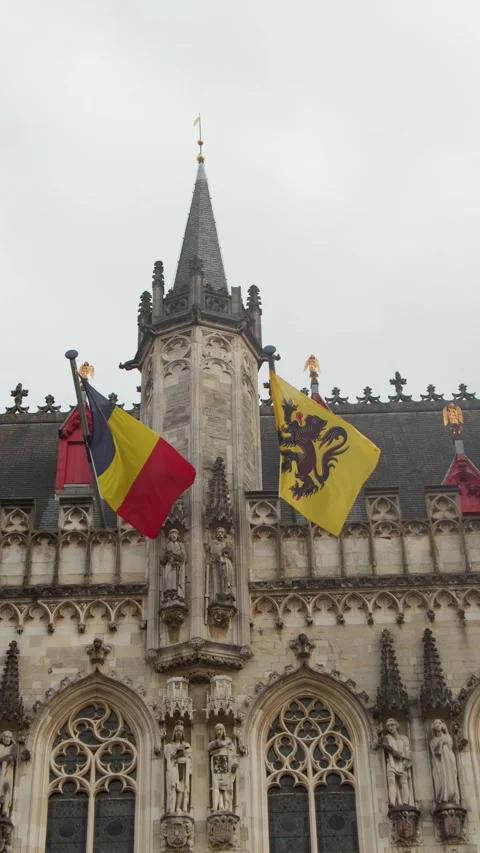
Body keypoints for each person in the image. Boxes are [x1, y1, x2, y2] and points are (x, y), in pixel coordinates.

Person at [382, 718, 414, 807]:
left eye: (392, 725)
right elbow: (385, 745)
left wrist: (408, 761)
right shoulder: (387, 738)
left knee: (404, 781)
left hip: (402, 762)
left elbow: (408, 752)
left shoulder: (404, 738)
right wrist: (393, 752)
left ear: (396, 726)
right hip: (392, 761)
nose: (390, 728)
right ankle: (392, 802)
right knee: (391, 780)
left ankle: (405, 802)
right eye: (388, 726)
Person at [208, 723, 238, 812]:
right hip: (217, 763)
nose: (219, 732)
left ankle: (226, 807)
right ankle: (217, 806)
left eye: (220, 730)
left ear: (223, 731)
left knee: (226, 786)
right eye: (217, 730)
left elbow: (233, 754)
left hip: (225, 763)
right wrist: (222, 744)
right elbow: (209, 747)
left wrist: (234, 763)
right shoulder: (214, 743)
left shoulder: (229, 742)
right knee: (216, 785)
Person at [429, 719, 460, 804]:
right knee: (442, 780)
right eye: (436, 724)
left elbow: (450, 748)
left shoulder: (447, 736)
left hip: (449, 763)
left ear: (442, 725)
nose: (438, 725)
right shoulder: (432, 741)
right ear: (434, 727)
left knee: (451, 779)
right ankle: (443, 797)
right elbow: (435, 754)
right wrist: (441, 743)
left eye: (440, 723)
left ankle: (453, 797)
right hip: (440, 764)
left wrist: (444, 739)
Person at [164, 722, 192, 813]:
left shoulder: (187, 746)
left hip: (182, 768)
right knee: (173, 786)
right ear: (174, 733)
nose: (179, 733)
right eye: (177, 731)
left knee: (181, 788)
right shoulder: (169, 746)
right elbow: (167, 756)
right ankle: (172, 807)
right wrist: (175, 753)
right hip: (173, 767)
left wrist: (184, 756)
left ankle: (178, 807)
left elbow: (189, 757)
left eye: (180, 731)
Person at [161, 529, 186, 601]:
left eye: (175, 534)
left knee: (177, 581)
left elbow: (184, 556)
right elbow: (162, 559)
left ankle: (177, 595)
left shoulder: (181, 545)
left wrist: (175, 557)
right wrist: (167, 556)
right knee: (170, 581)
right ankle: (169, 596)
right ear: (169, 536)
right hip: (170, 566)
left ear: (178, 536)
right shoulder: (167, 545)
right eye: (172, 534)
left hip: (178, 566)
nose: (174, 535)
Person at [209, 528, 234, 600]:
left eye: (222, 532)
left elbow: (231, 554)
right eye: (219, 532)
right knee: (219, 577)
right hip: (218, 563)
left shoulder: (227, 543)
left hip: (227, 562)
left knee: (227, 577)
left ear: (224, 534)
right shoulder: (213, 543)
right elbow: (212, 553)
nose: (220, 534)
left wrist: (227, 554)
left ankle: (227, 591)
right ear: (216, 533)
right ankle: (219, 593)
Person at [0, 731, 16, 817]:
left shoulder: (11, 747)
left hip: (8, 771)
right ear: (2, 738)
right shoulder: (1, 747)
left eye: (9, 737)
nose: (7, 739)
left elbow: (12, 757)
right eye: (6, 737)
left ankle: (5, 810)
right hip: (1, 771)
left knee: (7, 788)